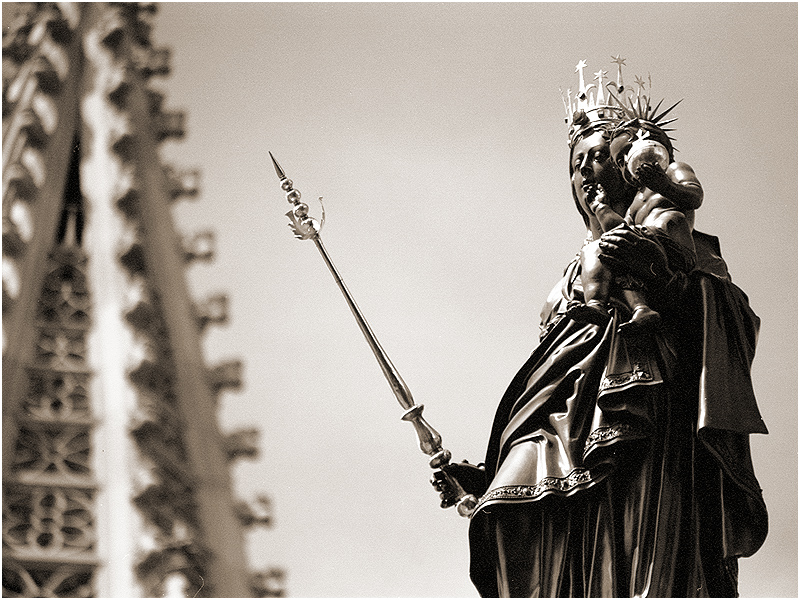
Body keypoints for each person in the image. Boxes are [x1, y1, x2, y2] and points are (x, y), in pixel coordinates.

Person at [431, 66, 768, 598]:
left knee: (644, 564)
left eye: (599, 158)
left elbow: (731, 320)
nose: (588, 172)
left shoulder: (669, 232)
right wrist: (489, 478)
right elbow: (549, 399)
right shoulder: (564, 284)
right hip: (574, 439)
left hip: (651, 427)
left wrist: (661, 276)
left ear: (628, 168)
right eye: (577, 164)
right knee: (523, 521)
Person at [566, 118, 704, 336]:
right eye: (619, 160)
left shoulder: (673, 172)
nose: (585, 169)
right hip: (642, 240)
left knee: (624, 244)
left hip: (671, 245)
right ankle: (611, 307)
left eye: (601, 158)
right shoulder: (633, 209)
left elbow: (694, 197)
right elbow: (618, 229)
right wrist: (601, 208)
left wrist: (664, 186)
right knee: (610, 247)